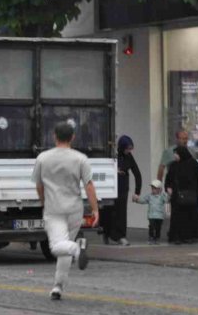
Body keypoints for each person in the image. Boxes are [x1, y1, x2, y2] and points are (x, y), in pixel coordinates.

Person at [32, 120, 99, 300]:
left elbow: (39, 185)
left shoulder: (43, 158)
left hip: (54, 209)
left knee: (56, 247)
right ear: (73, 137)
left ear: (54, 136)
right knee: (64, 247)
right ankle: (58, 286)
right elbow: (89, 185)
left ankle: (77, 249)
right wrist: (95, 209)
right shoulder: (80, 158)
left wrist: (43, 201)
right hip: (74, 209)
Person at [101, 135, 142, 246]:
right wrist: (114, 171)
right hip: (111, 187)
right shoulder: (114, 154)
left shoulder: (129, 157)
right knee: (109, 211)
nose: (129, 151)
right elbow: (104, 168)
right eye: (127, 148)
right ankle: (107, 232)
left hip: (123, 188)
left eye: (130, 149)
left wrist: (137, 191)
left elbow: (137, 173)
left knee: (121, 213)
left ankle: (120, 235)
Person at [164, 146, 198, 244]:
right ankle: (177, 236)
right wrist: (168, 187)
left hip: (190, 196)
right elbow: (169, 178)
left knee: (189, 215)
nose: (175, 155)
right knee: (177, 216)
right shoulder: (173, 165)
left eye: (176, 153)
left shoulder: (192, 164)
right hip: (177, 196)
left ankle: (188, 236)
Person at [133, 179, 169, 244]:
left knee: (158, 228)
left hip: (159, 216)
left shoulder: (162, 196)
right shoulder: (149, 196)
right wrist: (137, 200)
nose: (153, 190)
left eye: (155, 188)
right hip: (151, 215)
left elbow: (167, 200)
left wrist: (169, 195)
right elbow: (143, 200)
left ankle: (157, 238)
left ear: (159, 189)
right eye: (152, 188)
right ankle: (151, 237)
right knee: (151, 226)